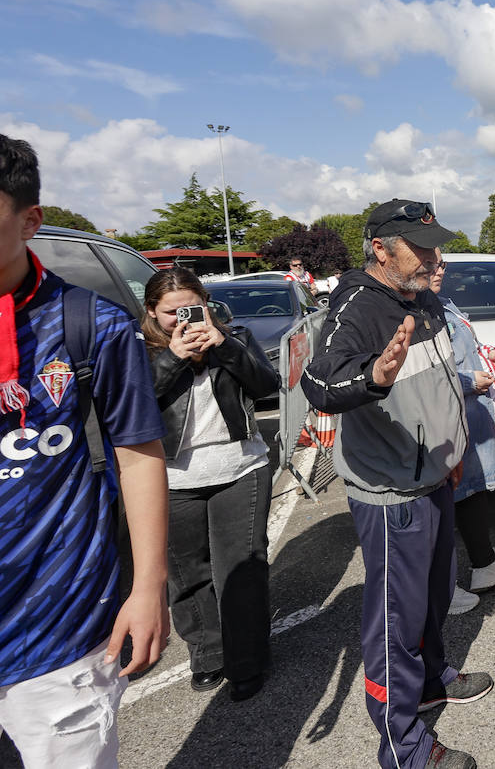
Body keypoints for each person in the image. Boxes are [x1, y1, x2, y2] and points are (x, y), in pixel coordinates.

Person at [0, 135, 169, 769]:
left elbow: (138, 453)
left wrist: (149, 584)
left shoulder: (92, 323)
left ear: (30, 220)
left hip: (60, 629)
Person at [302, 199, 490, 769]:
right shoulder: (356, 305)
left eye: (435, 244)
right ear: (380, 250)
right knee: (394, 624)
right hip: (391, 495)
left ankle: (431, 680)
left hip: (433, 476)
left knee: (433, 600)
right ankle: (403, 745)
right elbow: (318, 384)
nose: (436, 258)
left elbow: (429, 378)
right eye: (421, 247)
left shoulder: (420, 296)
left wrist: (471, 388)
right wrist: (372, 377)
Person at [144, 268, 280, 700]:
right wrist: (173, 357)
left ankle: (246, 659)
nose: (182, 319)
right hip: (170, 477)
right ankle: (207, 655)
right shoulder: (137, 348)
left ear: (205, 302)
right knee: (188, 575)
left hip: (239, 467)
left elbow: (267, 385)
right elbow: (131, 403)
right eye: (171, 313)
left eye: (192, 308)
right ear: (151, 312)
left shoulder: (233, 335)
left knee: (240, 569)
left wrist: (226, 347)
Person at [429, 261, 495, 615]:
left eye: (440, 263)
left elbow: (463, 349)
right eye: (430, 263)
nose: (438, 270)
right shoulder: (415, 310)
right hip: (450, 419)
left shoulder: (442, 302)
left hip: (468, 420)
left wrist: (488, 355)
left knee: (469, 493)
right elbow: (425, 375)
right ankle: (443, 587)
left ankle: (484, 565)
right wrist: (471, 381)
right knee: (442, 504)